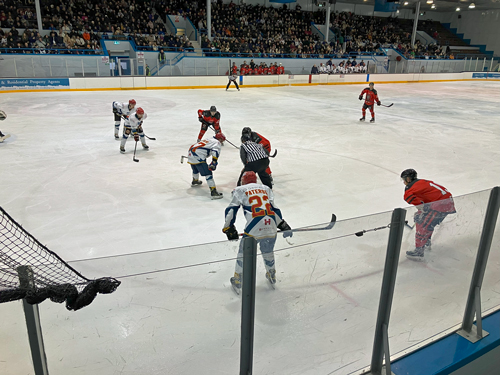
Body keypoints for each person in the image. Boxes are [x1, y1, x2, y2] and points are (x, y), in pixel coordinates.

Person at [223, 171, 292, 293]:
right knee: (268, 251)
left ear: (243, 180)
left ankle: (238, 279)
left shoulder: (240, 190)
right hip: (271, 225)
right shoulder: (265, 188)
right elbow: (273, 208)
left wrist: (228, 228)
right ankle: (272, 274)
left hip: (254, 227)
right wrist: (282, 224)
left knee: (243, 253)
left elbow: (231, 210)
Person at [401, 169, 456, 260]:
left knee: (422, 222)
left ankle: (419, 251)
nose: (403, 182)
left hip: (439, 205)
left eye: (404, 179)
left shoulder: (409, 188)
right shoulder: (422, 181)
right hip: (447, 202)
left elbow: (409, 198)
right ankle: (426, 241)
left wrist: (422, 209)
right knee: (429, 222)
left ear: (408, 179)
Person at [187, 133, 226, 199]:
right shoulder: (217, 142)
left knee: (195, 168)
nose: (222, 142)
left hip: (190, 153)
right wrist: (214, 162)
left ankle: (195, 180)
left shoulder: (209, 139)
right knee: (208, 173)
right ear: (220, 139)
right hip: (198, 156)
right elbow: (215, 152)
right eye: (222, 141)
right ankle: (213, 192)